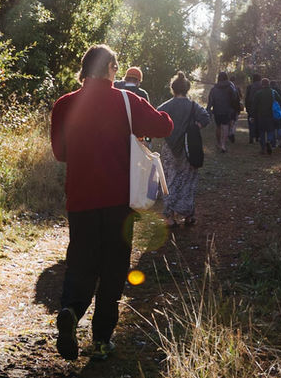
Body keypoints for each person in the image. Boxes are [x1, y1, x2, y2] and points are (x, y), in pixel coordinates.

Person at [50, 45, 173, 361]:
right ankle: (102, 339)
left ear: (84, 70)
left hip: (80, 199)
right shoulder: (126, 101)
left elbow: (60, 153)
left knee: (81, 262)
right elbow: (165, 126)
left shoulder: (64, 104)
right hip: (120, 201)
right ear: (111, 68)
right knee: (114, 269)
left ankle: (71, 311)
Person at [157, 72, 211, 227]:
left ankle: (169, 217)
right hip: (188, 148)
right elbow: (205, 117)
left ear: (173, 89)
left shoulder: (165, 106)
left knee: (169, 180)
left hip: (169, 149)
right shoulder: (193, 105)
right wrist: (195, 127)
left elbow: (156, 121)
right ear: (187, 89)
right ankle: (188, 215)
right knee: (188, 181)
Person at [205, 72, 241, 153]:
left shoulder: (214, 89)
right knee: (225, 127)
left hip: (217, 110)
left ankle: (218, 143)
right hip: (227, 110)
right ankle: (223, 145)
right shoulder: (230, 87)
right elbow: (235, 98)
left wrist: (208, 110)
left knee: (218, 127)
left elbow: (210, 101)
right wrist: (234, 108)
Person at [246, 77, 280, 155]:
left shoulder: (258, 93)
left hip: (260, 116)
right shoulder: (273, 92)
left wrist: (252, 116)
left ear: (262, 84)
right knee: (271, 130)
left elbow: (254, 106)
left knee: (262, 132)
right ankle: (269, 141)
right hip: (271, 115)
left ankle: (263, 148)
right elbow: (280, 100)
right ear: (269, 84)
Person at [244, 74, 262, 144]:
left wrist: (247, 108)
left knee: (251, 122)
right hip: (260, 107)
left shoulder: (249, 87)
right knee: (259, 122)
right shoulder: (262, 86)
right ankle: (258, 137)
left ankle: (251, 137)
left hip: (251, 107)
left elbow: (247, 98)